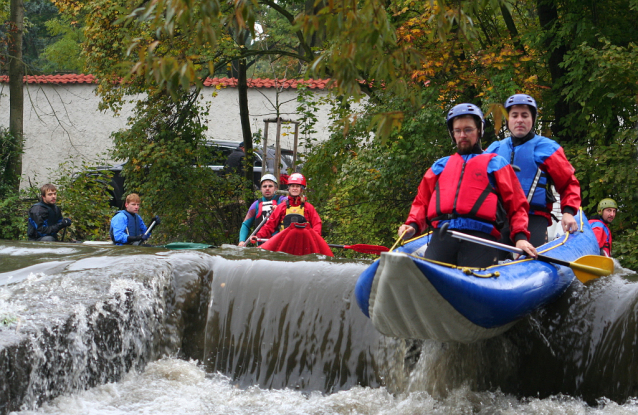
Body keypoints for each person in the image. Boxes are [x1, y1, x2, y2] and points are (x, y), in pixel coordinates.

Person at [397, 103, 537, 268]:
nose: (463, 135)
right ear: (453, 134)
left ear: (479, 130)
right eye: (458, 131)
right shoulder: (439, 166)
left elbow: (517, 204)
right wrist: (412, 225)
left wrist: (520, 238)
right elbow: (421, 202)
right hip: (443, 236)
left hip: (480, 238)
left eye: (468, 129)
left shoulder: (496, 163)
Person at [486, 94, 581, 249]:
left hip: (534, 218)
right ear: (507, 120)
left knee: (531, 256)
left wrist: (568, 212)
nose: (519, 120)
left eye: (525, 115)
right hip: (499, 219)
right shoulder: (494, 150)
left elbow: (568, 183)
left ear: (533, 119)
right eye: (514, 115)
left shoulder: (548, 149)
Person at [251, 172, 322, 241]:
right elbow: (270, 225)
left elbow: (317, 224)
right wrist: (258, 236)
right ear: (289, 188)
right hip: (284, 242)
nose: (294, 188)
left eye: (297, 186)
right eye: (292, 186)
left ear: (301, 189)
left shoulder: (308, 207)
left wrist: (315, 238)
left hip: (303, 242)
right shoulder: (281, 207)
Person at [238, 174, 287, 246]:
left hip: (279, 243)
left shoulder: (282, 200)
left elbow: (290, 203)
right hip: (262, 244)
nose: (267, 188)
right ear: (261, 188)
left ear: (276, 188)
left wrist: (280, 207)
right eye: (264, 186)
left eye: (270, 186)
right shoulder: (255, 205)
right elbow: (246, 224)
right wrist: (241, 241)